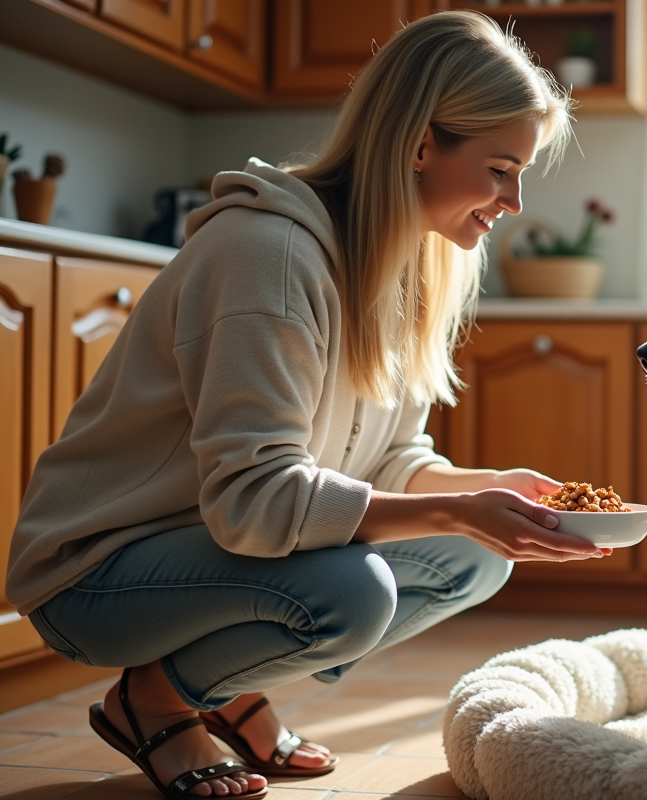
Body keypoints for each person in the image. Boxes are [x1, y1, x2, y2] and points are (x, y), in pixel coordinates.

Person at [5, 11, 607, 799]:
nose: (514, 201)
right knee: (354, 591)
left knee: (478, 555)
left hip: (216, 554)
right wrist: (461, 507)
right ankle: (157, 699)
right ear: (421, 145)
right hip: (99, 574)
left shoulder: (405, 267)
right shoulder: (270, 255)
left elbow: (390, 459)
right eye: (500, 168)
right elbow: (254, 502)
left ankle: (217, 685)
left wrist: (493, 492)